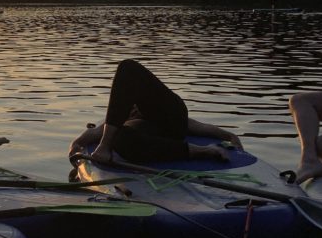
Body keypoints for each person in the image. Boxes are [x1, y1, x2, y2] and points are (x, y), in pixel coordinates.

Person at [69, 59, 242, 166]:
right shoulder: (117, 126)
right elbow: (95, 132)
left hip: (170, 116)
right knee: (122, 141)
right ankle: (202, 151)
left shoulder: (149, 103)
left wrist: (228, 135)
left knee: (127, 67)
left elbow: (193, 125)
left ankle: (105, 147)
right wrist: (76, 145)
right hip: (154, 138)